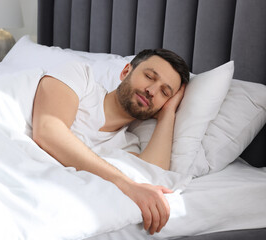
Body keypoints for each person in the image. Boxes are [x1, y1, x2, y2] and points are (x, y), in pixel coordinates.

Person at [32, 49, 189, 235]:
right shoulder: (81, 77)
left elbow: (153, 175)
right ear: (125, 72)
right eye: (149, 76)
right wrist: (127, 185)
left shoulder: (127, 146)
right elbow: (48, 131)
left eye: (164, 92)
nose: (152, 91)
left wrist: (167, 115)